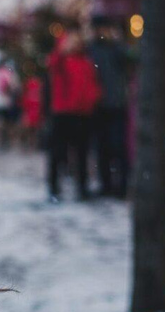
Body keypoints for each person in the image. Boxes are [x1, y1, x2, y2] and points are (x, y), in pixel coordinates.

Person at [47, 24, 102, 201]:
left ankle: (82, 187)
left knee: (82, 153)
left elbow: (93, 85)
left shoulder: (86, 62)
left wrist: (92, 100)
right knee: (58, 154)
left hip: (82, 114)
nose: (75, 44)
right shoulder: (61, 60)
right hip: (63, 113)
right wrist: (61, 49)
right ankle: (54, 188)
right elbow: (53, 63)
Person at [87, 16, 130, 197]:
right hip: (98, 105)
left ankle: (121, 186)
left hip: (117, 104)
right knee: (102, 148)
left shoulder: (117, 48)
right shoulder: (90, 49)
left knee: (118, 147)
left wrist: (118, 41)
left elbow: (131, 58)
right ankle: (106, 185)